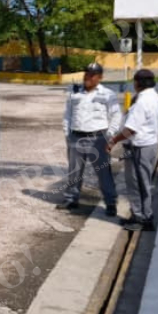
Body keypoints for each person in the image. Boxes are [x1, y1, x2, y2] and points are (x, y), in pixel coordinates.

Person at [59, 63, 122, 216]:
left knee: (103, 173)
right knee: (74, 171)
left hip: (98, 138)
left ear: (100, 77)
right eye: (86, 73)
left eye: (92, 75)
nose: (87, 77)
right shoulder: (74, 92)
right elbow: (68, 114)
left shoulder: (108, 94)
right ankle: (71, 199)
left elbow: (117, 115)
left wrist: (110, 134)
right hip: (76, 137)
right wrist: (67, 134)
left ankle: (110, 202)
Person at [107, 69, 158, 231]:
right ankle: (142, 215)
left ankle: (141, 218)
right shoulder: (155, 98)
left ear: (138, 82)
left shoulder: (142, 102)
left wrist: (113, 140)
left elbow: (130, 129)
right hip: (149, 145)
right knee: (143, 183)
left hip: (139, 147)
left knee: (136, 184)